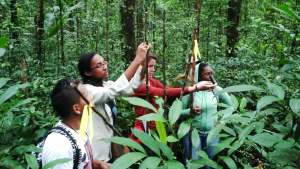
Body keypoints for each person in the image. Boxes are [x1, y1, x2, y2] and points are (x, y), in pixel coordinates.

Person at [77, 42, 149, 163]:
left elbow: (133, 85)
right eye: (99, 65)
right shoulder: (87, 91)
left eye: (104, 63)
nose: (105, 67)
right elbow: (112, 91)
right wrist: (137, 59)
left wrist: (144, 59)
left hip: (107, 150)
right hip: (94, 155)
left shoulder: (107, 85)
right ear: (87, 72)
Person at [130, 53, 217, 149]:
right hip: (145, 129)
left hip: (158, 126)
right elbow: (163, 93)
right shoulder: (137, 85)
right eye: (150, 66)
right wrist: (196, 88)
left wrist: (197, 88)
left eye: (154, 66)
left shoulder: (152, 81)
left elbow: (167, 90)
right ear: (140, 67)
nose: (153, 70)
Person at [32, 78, 110, 169]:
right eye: (86, 95)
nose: (91, 97)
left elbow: (79, 160)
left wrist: (99, 164)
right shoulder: (59, 146)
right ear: (76, 108)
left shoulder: (76, 130)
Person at [180, 63, 233, 169]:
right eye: (207, 74)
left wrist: (221, 121)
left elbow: (230, 107)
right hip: (192, 133)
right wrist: (191, 111)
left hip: (212, 134)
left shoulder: (217, 90)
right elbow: (177, 112)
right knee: (193, 164)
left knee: (207, 164)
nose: (211, 77)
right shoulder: (190, 91)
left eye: (211, 73)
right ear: (199, 76)